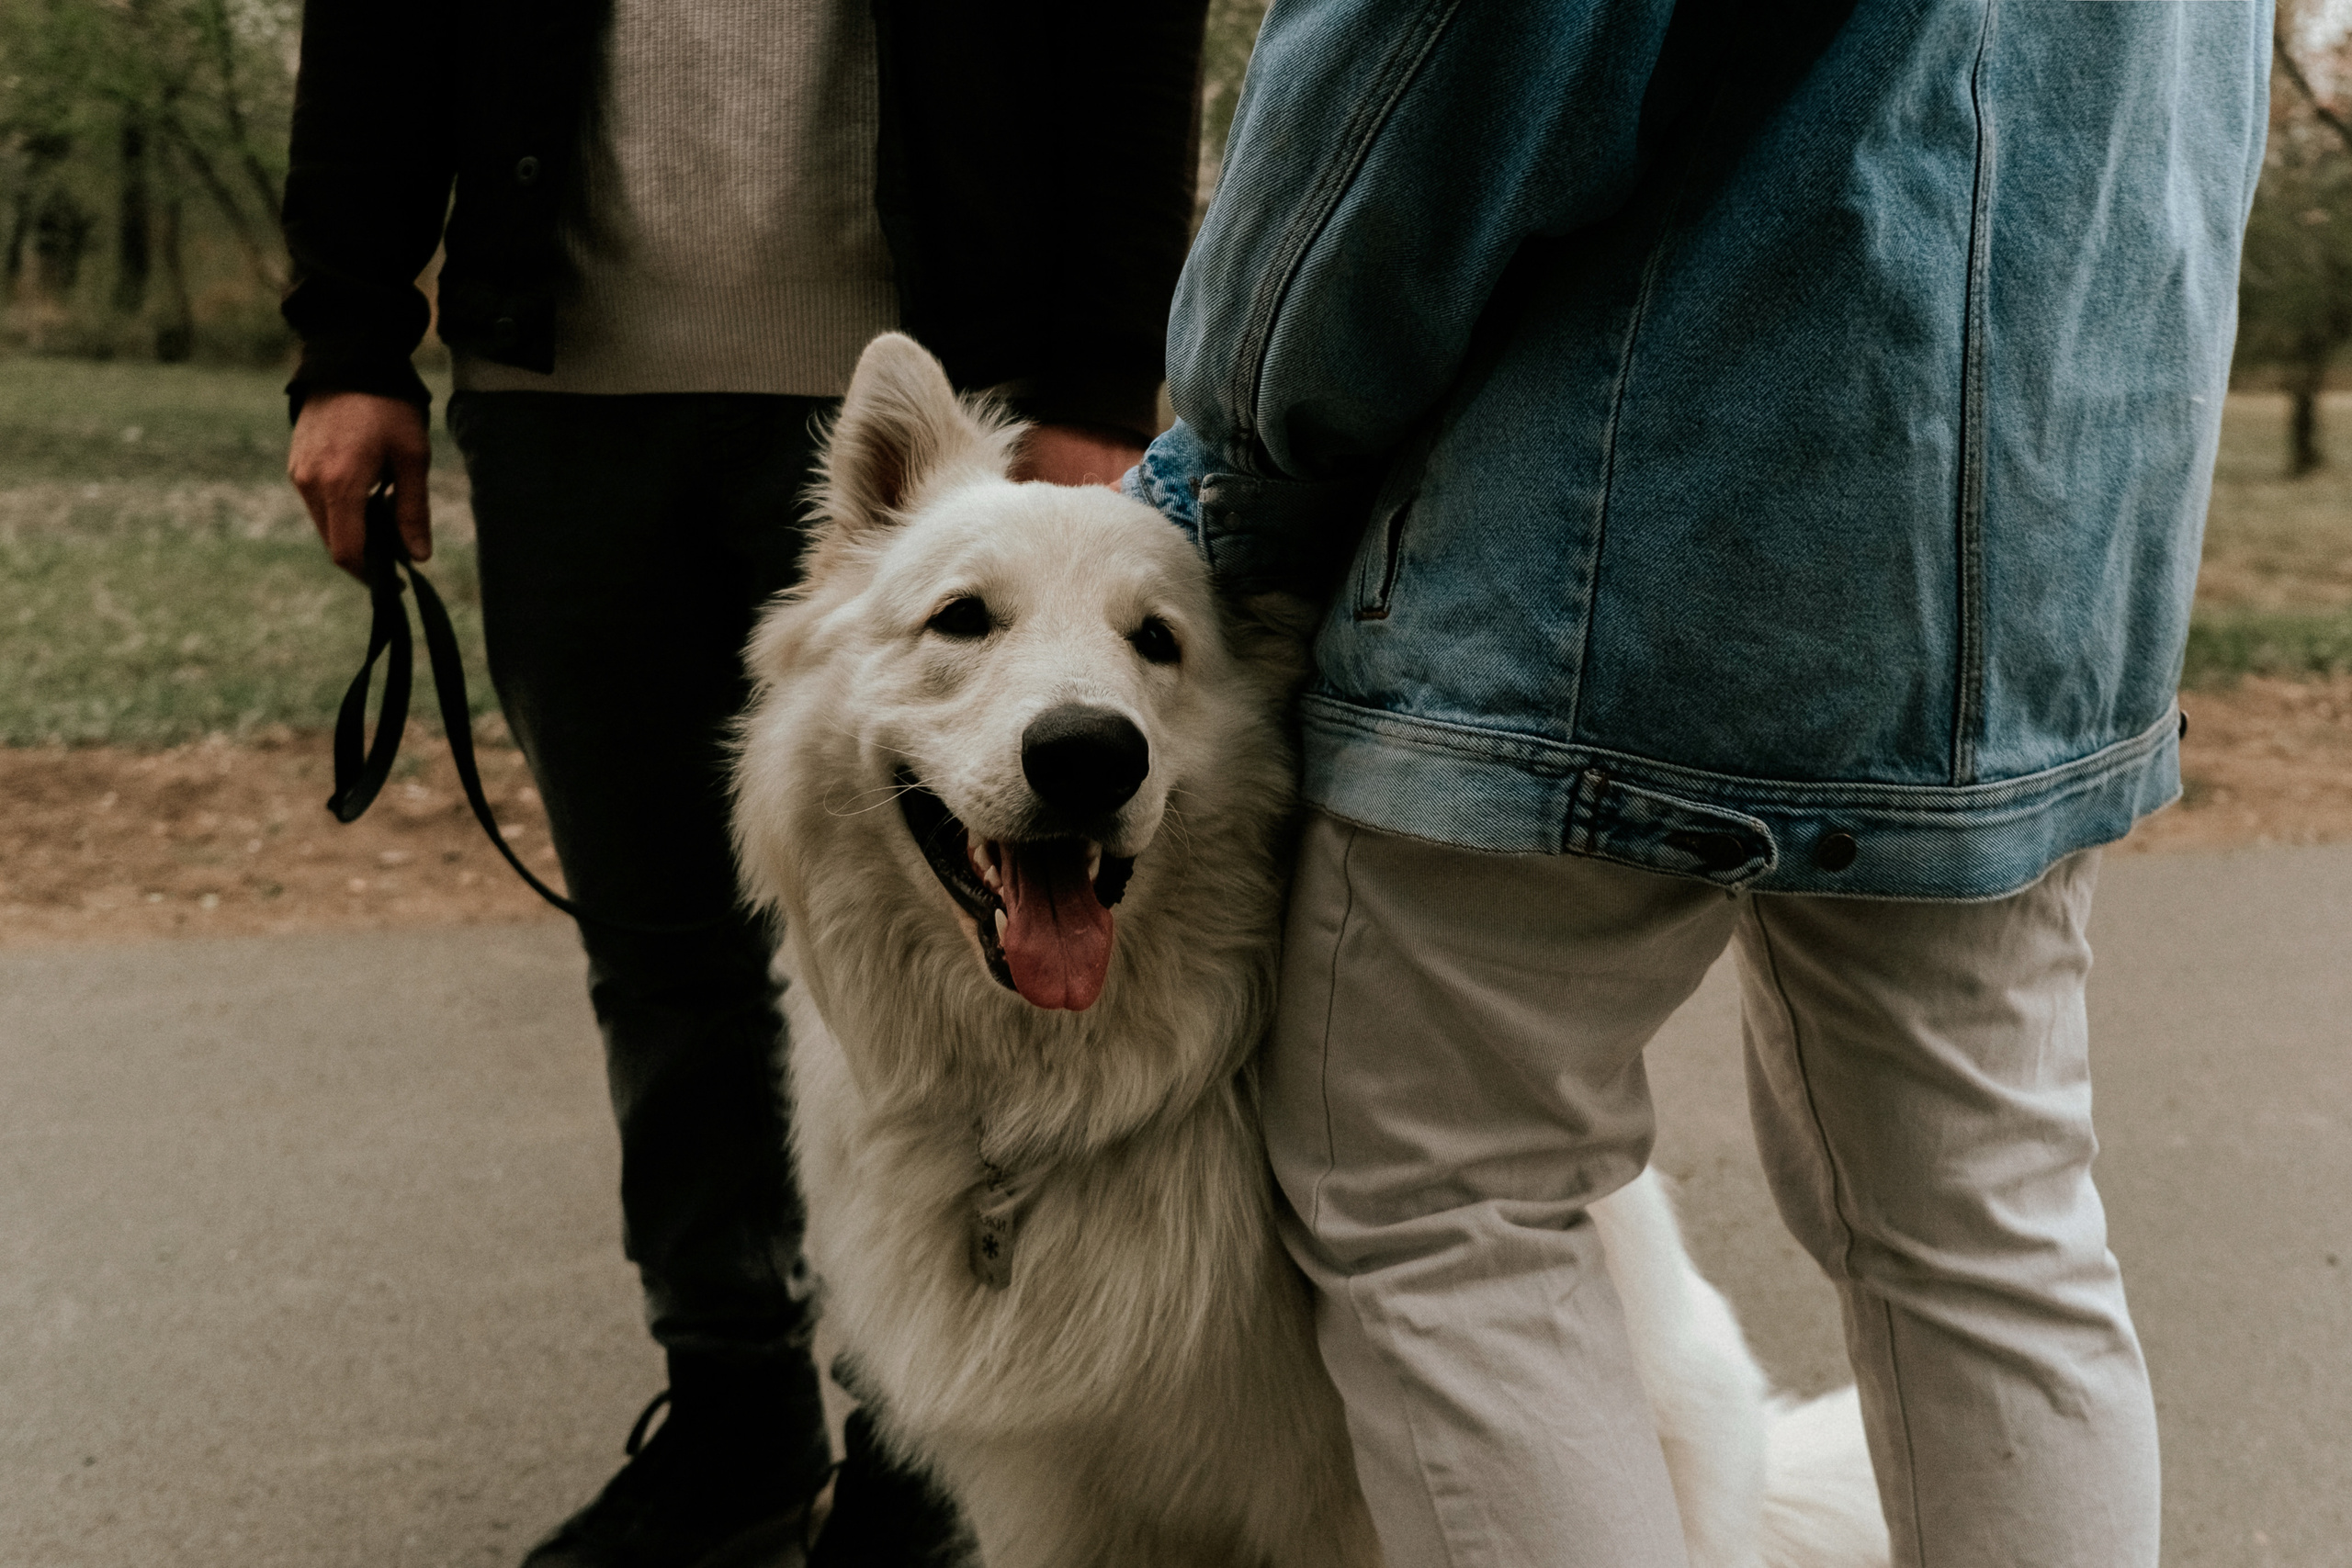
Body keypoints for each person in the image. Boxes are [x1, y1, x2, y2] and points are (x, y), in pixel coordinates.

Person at [1128, 2, 2269, 1565]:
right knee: (1987, 1228)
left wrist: (1251, 424)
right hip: (2040, 544)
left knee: (1443, 1194)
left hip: (1612, 519)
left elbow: (1445, 55)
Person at [277, 3, 1207, 1564]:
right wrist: (350, 341)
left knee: (964, 952)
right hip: (567, 396)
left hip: (937, 395)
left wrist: (1106, 379)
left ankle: (923, 1460)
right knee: (658, 950)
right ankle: (734, 1420)